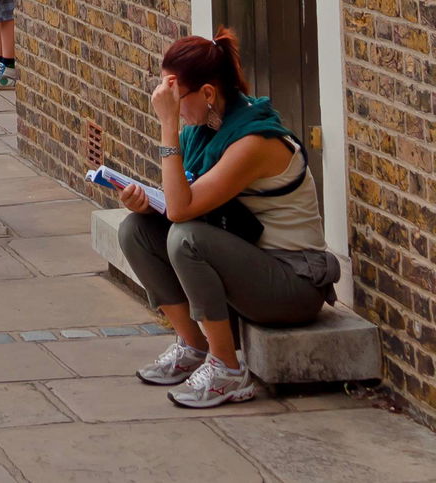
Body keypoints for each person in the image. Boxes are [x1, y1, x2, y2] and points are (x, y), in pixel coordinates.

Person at [115, 30, 339, 409]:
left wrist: (168, 126)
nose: (171, 105)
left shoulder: (254, 142)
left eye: (176, 97)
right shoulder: (204, 130)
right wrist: (144, 204)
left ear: (207, 93)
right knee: (135, 230)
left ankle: (228, 371)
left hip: (293, 286)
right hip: (250, 268)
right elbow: (178, 201)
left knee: (186, 238)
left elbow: (183, 212)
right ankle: (193, 346)